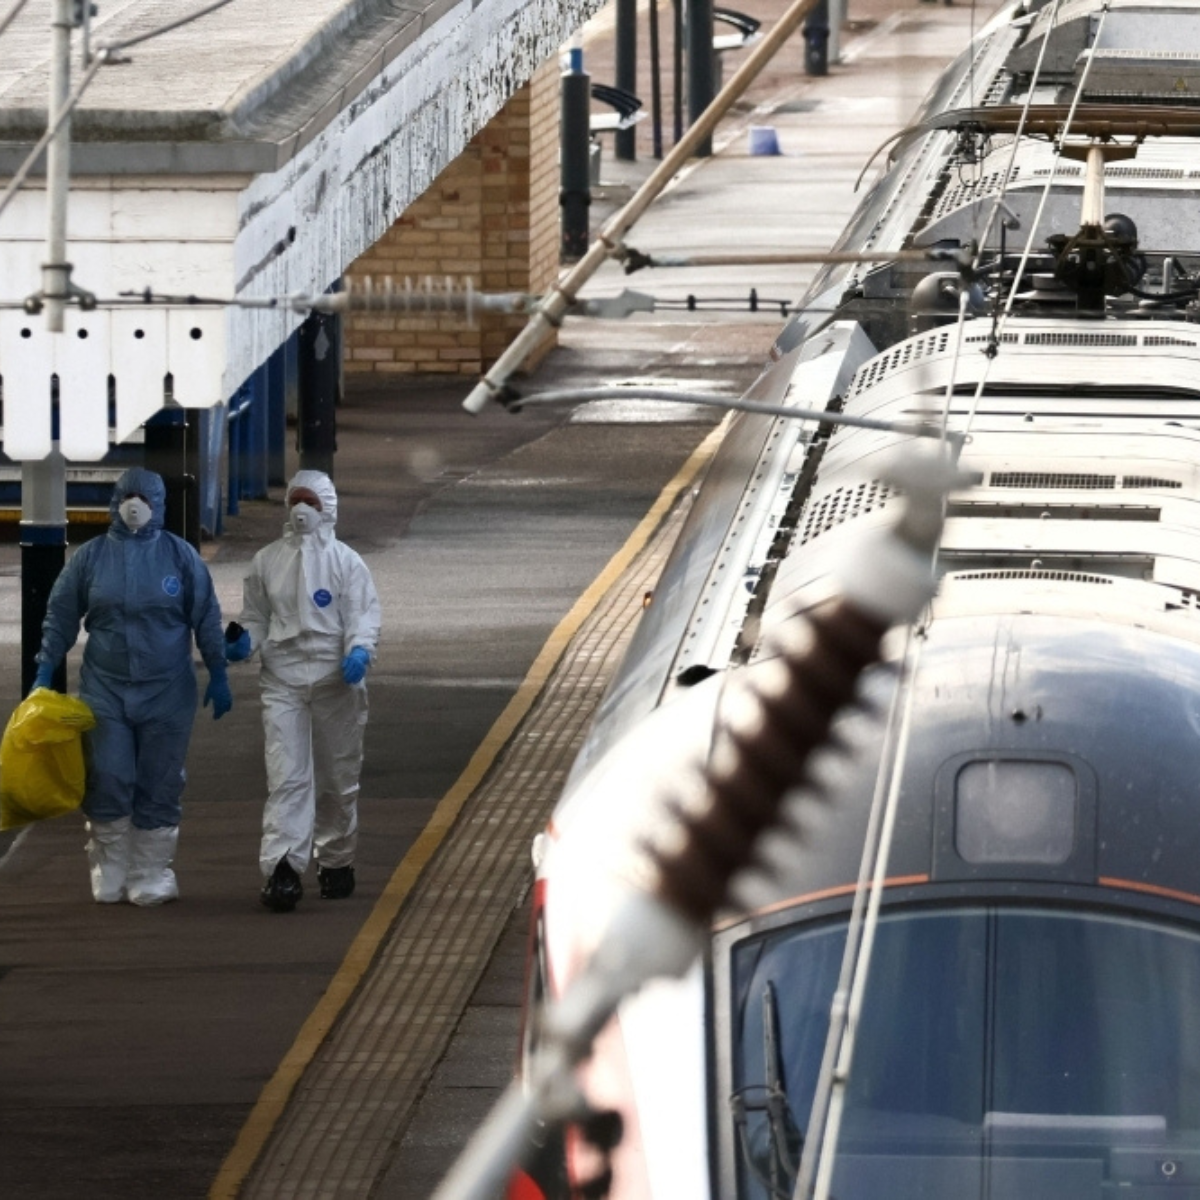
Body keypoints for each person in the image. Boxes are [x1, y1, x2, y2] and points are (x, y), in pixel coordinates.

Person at [33, 467, 232, 906]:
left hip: (167, 690)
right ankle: (110, 864)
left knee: (159, 781)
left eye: (144, 496)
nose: (135, 504)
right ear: (116, 501)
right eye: (128, 495)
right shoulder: (91, 558)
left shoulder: (180, 558)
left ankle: (151, 871)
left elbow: (207, 616)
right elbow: (61, 613)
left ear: (159, 504)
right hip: (106, 688)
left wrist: (218, 669)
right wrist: (46, 668)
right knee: (108, 773)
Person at [226, 469, 381, 912]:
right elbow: (256, 615)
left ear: (327, 508)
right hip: (284, 680)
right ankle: (283, 869)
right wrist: (243, 643)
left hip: (337, 680)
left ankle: (335, 859)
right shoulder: (267, 560)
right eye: (296, 499)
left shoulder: (347, 562)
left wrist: (359, 652)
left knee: (337, 776)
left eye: (311, 502)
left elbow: (362, 615)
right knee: (287, 776)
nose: (302, 509)